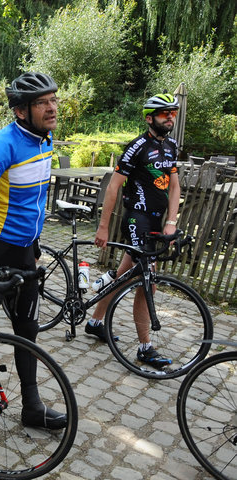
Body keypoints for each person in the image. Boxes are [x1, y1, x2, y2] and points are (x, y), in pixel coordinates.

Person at [0, 72, 66, 430]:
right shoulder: (2, 144)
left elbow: (34, 199)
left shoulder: (45, 139)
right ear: (21, 111)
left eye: (54, 100)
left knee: (27, 329)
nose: (52, 107)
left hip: (23, 251)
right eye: (42, 103)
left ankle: (32, 406)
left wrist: (34, 244)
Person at [85, 93, 181, 367]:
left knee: (124, 276)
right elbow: (114, 187)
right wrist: (103, 227)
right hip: (136, 218)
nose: (170, 117)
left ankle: (95, 321)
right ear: (150, 118)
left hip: (156, 220)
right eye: (165, 113)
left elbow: (174, 187)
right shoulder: (137, 146)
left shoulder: (172, 146)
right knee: (147, 281)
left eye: (172, 113)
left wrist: (171, 221)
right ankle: (145, 347)